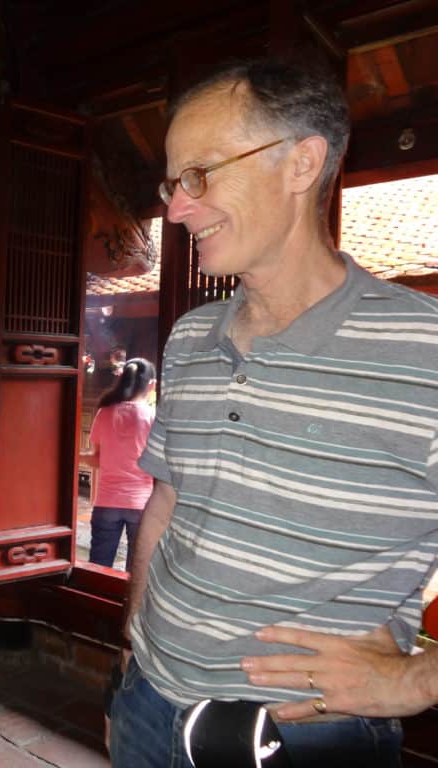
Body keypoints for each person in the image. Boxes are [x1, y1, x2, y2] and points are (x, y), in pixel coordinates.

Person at [109, 56, 438, 768]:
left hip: (306, 737)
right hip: (148, 702)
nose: (175, 209)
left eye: (200, 175)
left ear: (302, 163)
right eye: (173, 183)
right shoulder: (192, 335)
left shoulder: (424, 349)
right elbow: (168, 501)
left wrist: (417, 679)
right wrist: (136, 640)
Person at [87, 357, 156, 570]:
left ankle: (95, 602)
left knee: (99, 566)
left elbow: (97, 458)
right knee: (136, 570)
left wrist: (74, 456)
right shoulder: (153, 416)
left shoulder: (104, 413)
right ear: (151, 385)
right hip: (141, 504)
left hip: (107, 501)